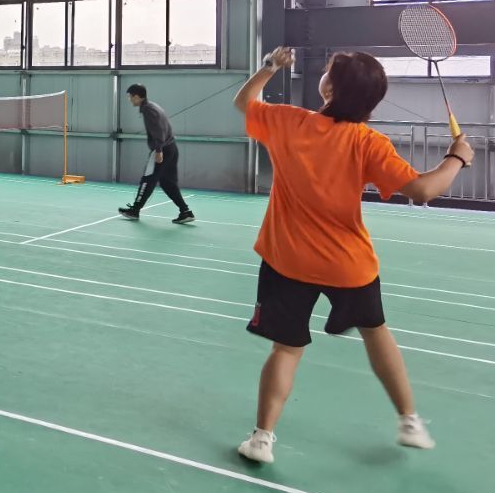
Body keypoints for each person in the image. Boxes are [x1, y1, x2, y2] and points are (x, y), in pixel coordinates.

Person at [232, 47, 474, 465]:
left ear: (330, 87)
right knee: (376, 333)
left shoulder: (288, 122)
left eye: (328, 71)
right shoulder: (368, 143)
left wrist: (270, 66)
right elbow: (423, 190)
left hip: (287, 259)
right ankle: (410, 422)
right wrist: (456, 158)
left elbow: (244, 102)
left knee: (285, 350)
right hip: (348, 264)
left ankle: (261, 440)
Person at [118, 84, 194, 224]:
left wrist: (158, 151)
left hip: (162, 150)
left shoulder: (148, 109)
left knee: (147, 179)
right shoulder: (152, 106)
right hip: (171, 148)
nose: (129, 100)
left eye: (130, 97)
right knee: (167, 183)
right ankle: (185, 212)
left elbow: (159, 130)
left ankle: (135, 210)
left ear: (137, 96)